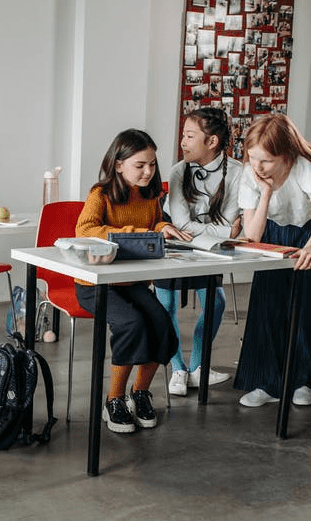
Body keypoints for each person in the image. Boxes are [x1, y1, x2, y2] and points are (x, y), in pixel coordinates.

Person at [75, 129, 190, 434]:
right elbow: (85, 230)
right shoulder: (100, 194)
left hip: (133, 282)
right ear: (118, 164)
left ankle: (140, 394)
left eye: (152, 164)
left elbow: (155, 222)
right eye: (140, 165)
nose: (148, 171)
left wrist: (164, 226)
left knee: (162, 327)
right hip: (95, 285)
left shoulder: (151, 195)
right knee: (132, 325)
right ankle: (114, 400)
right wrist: (138, 234)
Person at [233, 113, 311, 408]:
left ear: (286, 155)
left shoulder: (303, 167)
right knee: (268, 307)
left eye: (266, 160)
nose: (258, 166)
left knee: (304, 311)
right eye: (253, 158)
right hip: (273, 234)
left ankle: (304, 380)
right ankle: (266, 382)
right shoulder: (251, 174)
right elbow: (252, 235)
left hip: (310, 233)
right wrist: (265, 191)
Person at [157, 107, 243, 396]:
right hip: (173, 243)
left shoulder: (238, 173)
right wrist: (223, 231)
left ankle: (197, 367)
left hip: (210, 249)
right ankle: (177, 369)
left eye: (190, 136)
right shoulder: (178, 170)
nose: (183, 142)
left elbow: (230, 224)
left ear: (212, 141)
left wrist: (221, 231)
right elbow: (179, 223)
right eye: (183, 135)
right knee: (164, 304)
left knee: (216, 303)